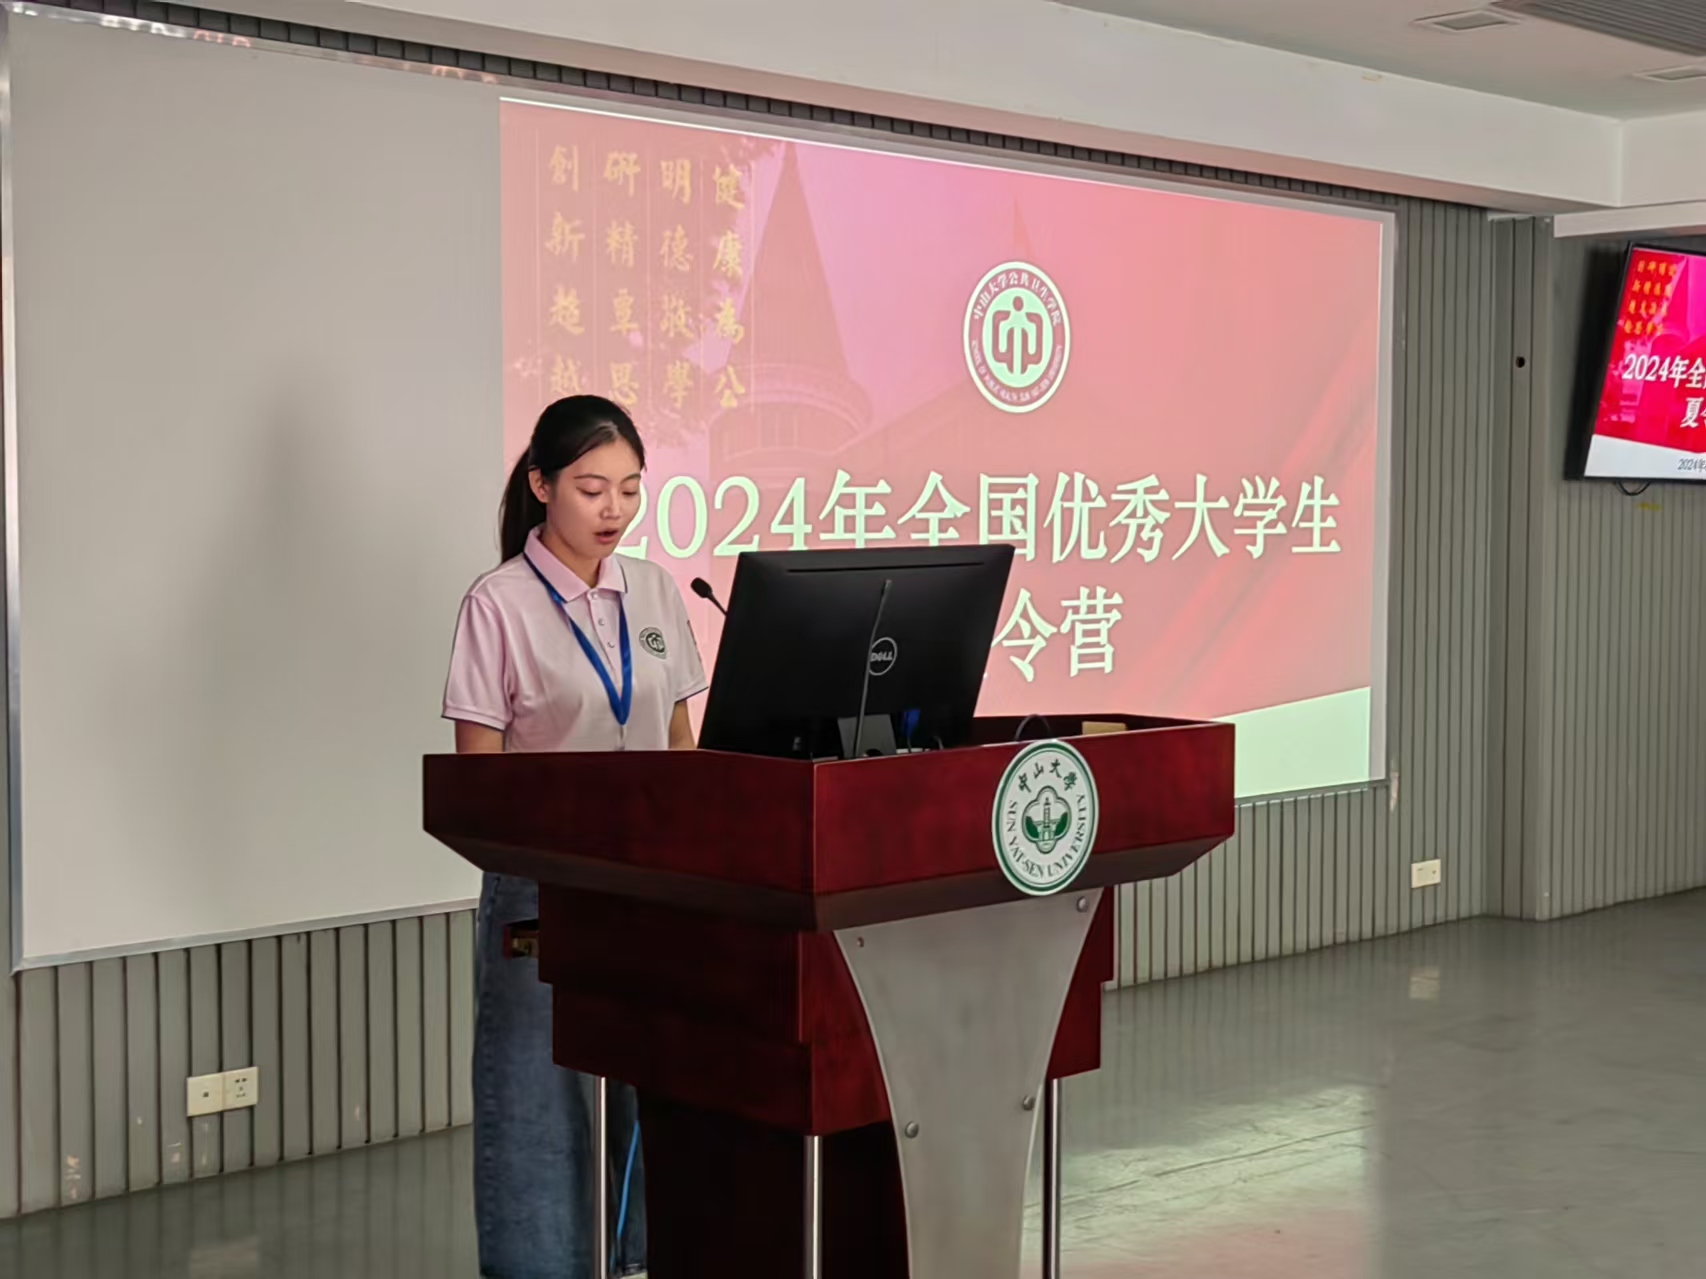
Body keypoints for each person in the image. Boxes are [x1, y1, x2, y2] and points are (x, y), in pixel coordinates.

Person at [442, 395, 706, 1279]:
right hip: (542, 885)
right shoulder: (498, 604)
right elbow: (478, 774)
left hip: (653, 877)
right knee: (536, 1099)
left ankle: (641, 1259)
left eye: (630, 488)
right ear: (541, 484)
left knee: (656, 1085)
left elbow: (679, 739)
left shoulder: (657, 590)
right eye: (592, 488)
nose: (613, 509)